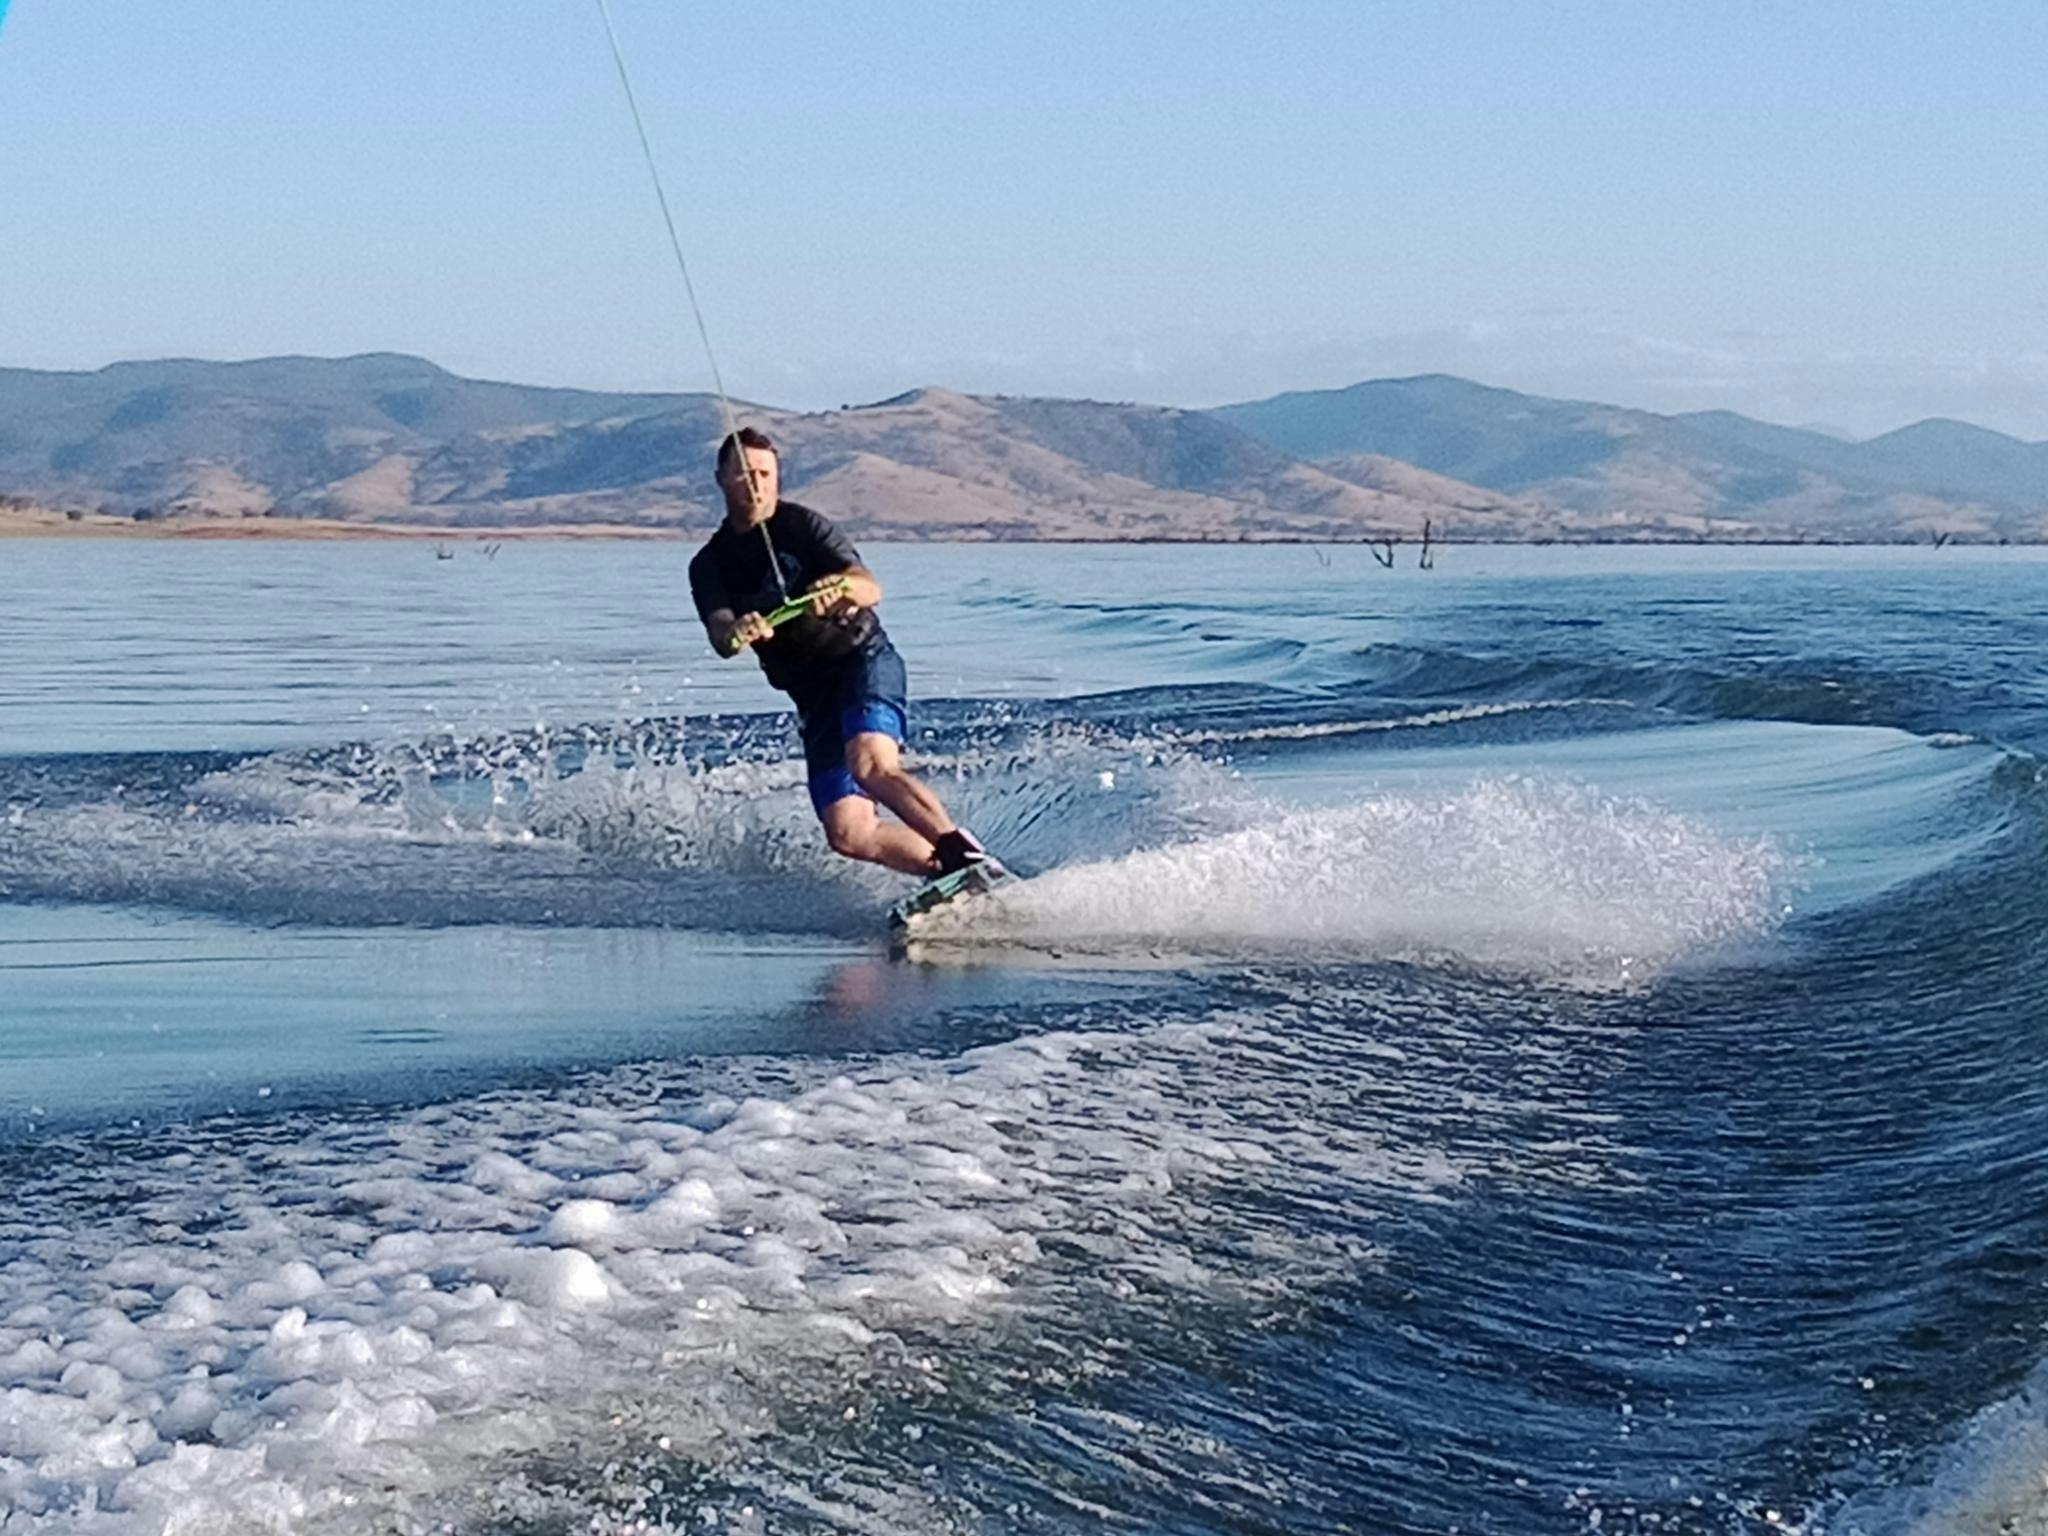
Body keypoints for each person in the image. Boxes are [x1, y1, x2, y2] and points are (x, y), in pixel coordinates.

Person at [689, 427, 988, 878]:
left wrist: (841, 587)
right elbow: (721, 635)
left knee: (870, 764)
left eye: (766, 474)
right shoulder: (708, 563)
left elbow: (869, 586)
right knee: (848, 833)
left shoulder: (803, 527)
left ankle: (960, 851)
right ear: (720, 479)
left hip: (861, 661)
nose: (756, 484)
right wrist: (740, 631)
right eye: (744, 474)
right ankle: (951, 875)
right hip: (814, 695)